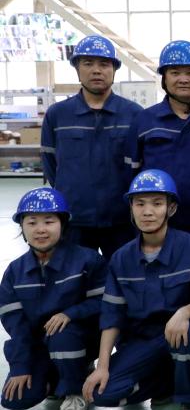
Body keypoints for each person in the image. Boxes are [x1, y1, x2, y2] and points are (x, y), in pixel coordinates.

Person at [83, 170, 190, 410]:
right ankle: (166, 383)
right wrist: (102, 365)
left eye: (157, 203)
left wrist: (184, 313)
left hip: (181, 333)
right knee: (103, 393)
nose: (147, 212)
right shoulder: (121, 258)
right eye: (140, 204)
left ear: (171, 208)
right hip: (142, 341)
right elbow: (112, 314)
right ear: (131, 209)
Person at [1, 188, 107, 410]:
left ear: (63, 224)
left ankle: (74, 392)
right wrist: (20, 365)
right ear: (22, 228)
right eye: (32, 222)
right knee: (15, 399)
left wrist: (70, 313)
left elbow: (104, 303)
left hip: (80, 338)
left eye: (49, 221)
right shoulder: (14, 272)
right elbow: (16, 326)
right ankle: (57, 377)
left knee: (62, 335)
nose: (40, 229)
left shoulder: (88, 260)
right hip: (40, 346)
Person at [40, 34, 142, 257]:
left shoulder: (134, 114)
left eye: (104, 64)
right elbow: (50, 164)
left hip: (121, 220)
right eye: (88, 63)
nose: (96, 70)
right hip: (74, 220)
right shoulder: (58, 115)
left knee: (123, 274)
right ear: (77, 69)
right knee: (75, 276)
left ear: (114, 70)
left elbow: (140, 165)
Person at [127, 40, 190, 265]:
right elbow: (130, 172)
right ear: (164, 78)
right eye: (175, 73)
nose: (183, 79)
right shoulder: (145, 121)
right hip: (159, 225)